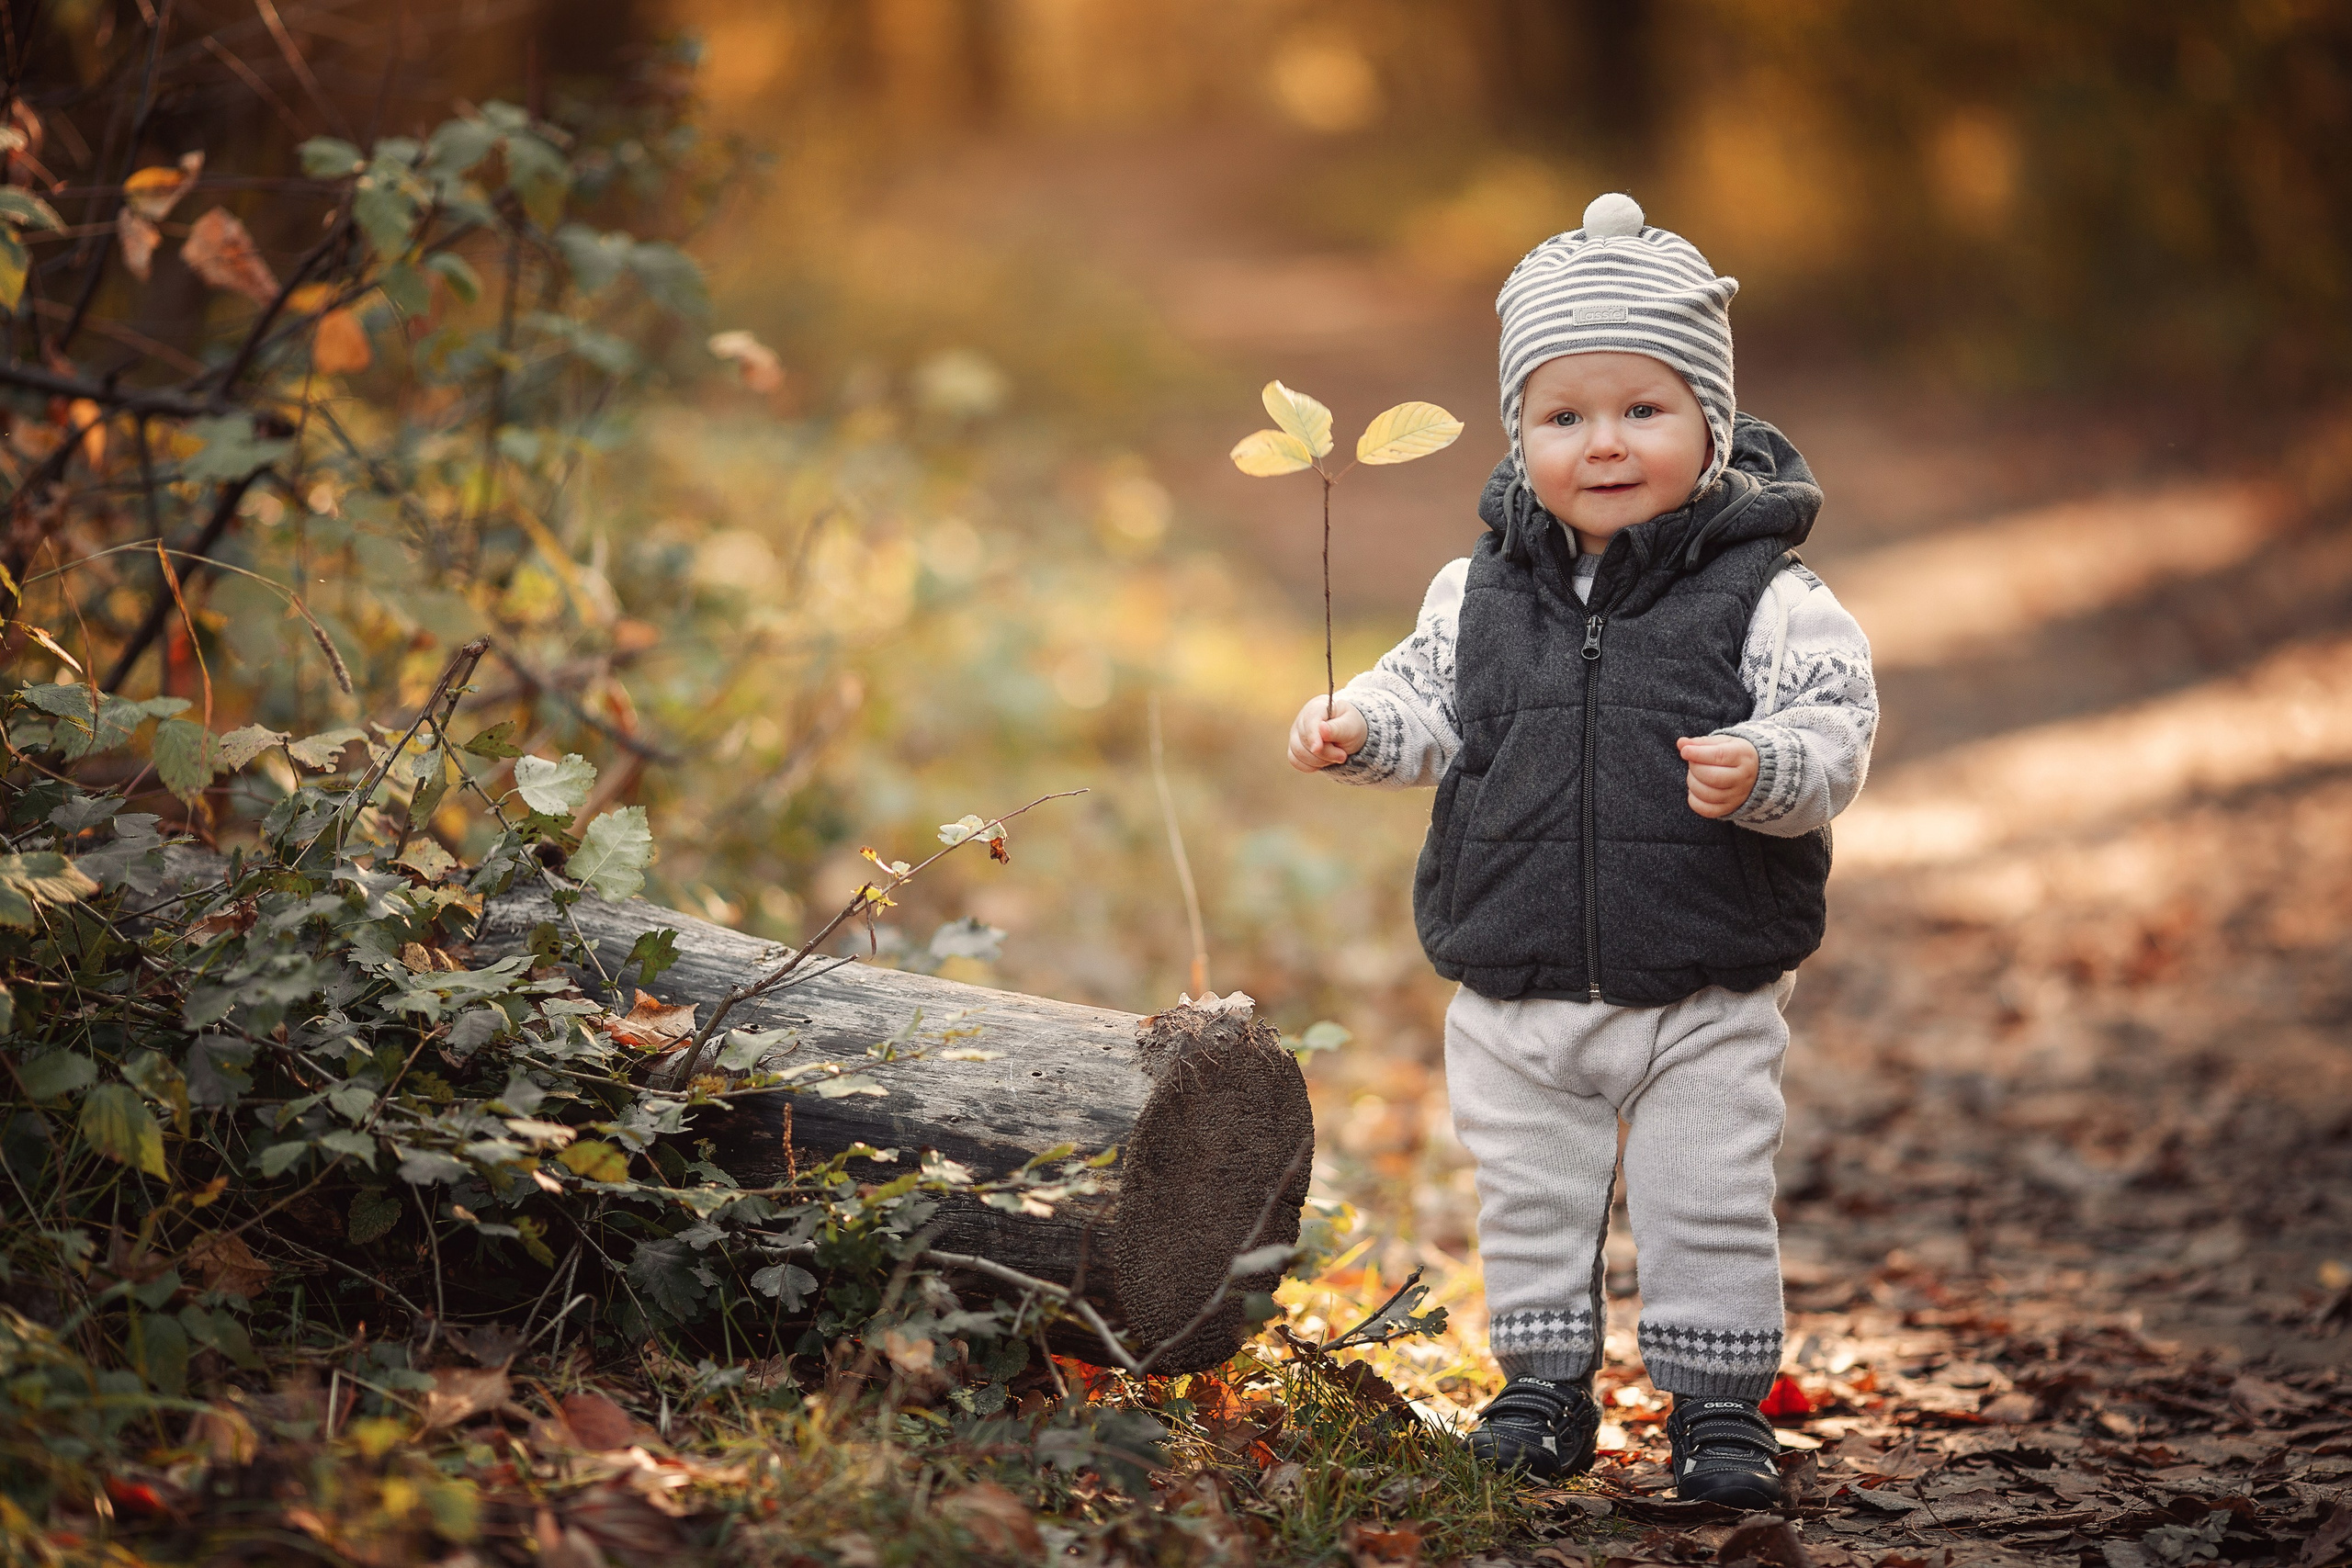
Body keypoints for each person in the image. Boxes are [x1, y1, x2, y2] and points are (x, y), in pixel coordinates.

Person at [1285, 193, 1877, 1507]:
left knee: (1705, 1195)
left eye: (1642, 410)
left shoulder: (1771, 591)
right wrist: (1358, 727)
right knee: (1531, 1195)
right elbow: (1426, 702)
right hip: (1515, 971)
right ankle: (1542, 1390)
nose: (1603, 444)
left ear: (1711, 423)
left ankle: (1719, 1409)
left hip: (1705, 978)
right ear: (1521, 432)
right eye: (1565, 416)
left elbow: (1836, 729)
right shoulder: (1476, 588)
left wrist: (1770, 767)